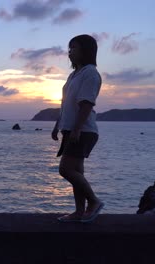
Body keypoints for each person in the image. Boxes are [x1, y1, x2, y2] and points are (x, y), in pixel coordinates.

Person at [52, 34, 104, 223]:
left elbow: (86, 104)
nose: (70, 52)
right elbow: (67, 104)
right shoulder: (74, 74)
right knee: (77, 173)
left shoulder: (90, 73)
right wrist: (57, 125)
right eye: (69, 48)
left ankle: (94, 201)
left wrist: (76, 129)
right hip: (72, 129)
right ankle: (79, 212)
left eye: (74, 48)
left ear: (86, 50)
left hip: (83, 130)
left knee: (65, 170)